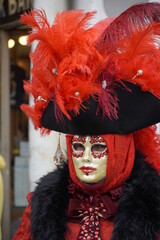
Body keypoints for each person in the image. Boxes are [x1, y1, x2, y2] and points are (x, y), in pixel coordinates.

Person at [13, 3, 160, 240]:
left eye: (99, 147)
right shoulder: (41, 207)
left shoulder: (155, 210)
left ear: (120, 151)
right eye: (78, 147)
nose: (86, 158)